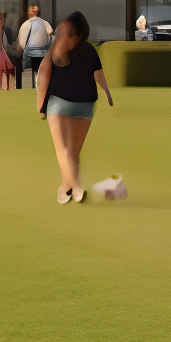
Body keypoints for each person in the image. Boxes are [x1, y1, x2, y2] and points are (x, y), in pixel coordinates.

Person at [36, 12, 112, 203]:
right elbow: (99, 74)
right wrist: (108, 93)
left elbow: (44, 74)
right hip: (83, 105)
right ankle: (69, 187)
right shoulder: (88, 49)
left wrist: (41, 105)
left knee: (65, 152)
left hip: (63, 104)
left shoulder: (58, 48)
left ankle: (71, 187)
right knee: (71, 153)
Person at [19, 5, 53, 89]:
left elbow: (22, 39)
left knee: (36, 69)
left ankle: (37, 83)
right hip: (43, 51)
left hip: (32, 51)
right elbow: (50, 33)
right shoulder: (44, 23)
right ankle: (40, 83)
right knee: (40, 69)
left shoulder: (27, 24)